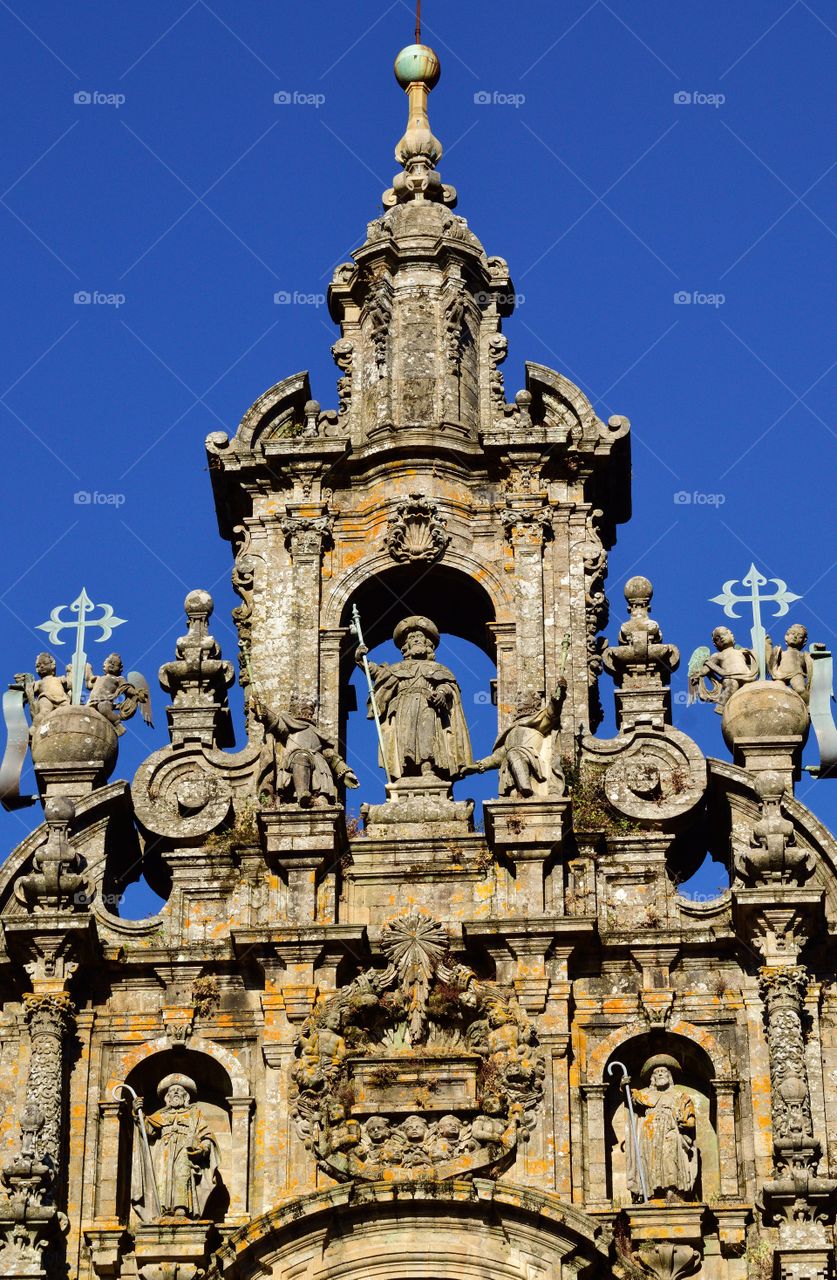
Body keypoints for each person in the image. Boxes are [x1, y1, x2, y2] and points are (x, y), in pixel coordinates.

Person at [355, 615, 472, 781]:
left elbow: (448, 685)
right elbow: (378, 673)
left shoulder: (437, 668)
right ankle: (406, 771)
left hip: (428, 705)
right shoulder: (397, 668)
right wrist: (361, 660)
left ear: (427, 643)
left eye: (419, 637)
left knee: (427, 734)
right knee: (405, 738)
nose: (416, 640)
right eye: (412, 638)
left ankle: (428, 769)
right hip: (403, 706)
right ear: (406, 645)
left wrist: (440, 694)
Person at [131, 1074, 220, 1221]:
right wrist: (137, 1113)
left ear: (186, 1097)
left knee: (181, 1174)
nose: (176, 1093)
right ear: (167, 1097)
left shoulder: (194, 1113)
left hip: (185, 1149)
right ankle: (164, 1209)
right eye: (172, 1091)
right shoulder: (160, 1114)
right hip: (164, 1151)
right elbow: (147, 1130)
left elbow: (206, 1135)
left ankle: (181, 1208)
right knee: (164, 1177)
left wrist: (203, 1148)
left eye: (179, 1090)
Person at [255, 695, 359, 806]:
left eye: (311, 708)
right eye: (305, 706)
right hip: (296, 757)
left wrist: (345, 772)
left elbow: (330, 754)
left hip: (317, 760)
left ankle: (322, 799)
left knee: (322, 772)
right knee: (301, 757)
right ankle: (303, 794)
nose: (309, 709)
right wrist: (263, 711)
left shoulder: (317, 732)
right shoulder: (290, 725)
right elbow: (275, 723)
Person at [469, 684, 565, 798]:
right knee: (512, 790)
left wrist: (558, 696)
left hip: (532, 758)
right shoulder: (512, 731)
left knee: (513, 753)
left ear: (535, 702)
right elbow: (498, 756)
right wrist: (479, 766)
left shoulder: (538, 722)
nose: (519, 700)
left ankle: (526, 789)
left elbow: (552, 713)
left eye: (524, 697)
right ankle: (521, 792)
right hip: (512, 762)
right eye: (518, 699)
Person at [628, 1055, 698, 1201]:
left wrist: (686, 1123)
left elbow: (690, 1119)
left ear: (669, 1076)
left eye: (663, 1071)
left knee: (669, 1157)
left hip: (671, 1130)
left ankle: (673, 1191)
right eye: (656, 1072)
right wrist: (624, 1086)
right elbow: (631, 1097)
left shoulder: (680, 1096)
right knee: (650, 1160)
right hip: (650, 1132)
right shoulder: (645, 1095)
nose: (660, 1074)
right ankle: (651, 1192)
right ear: (652, 1078)